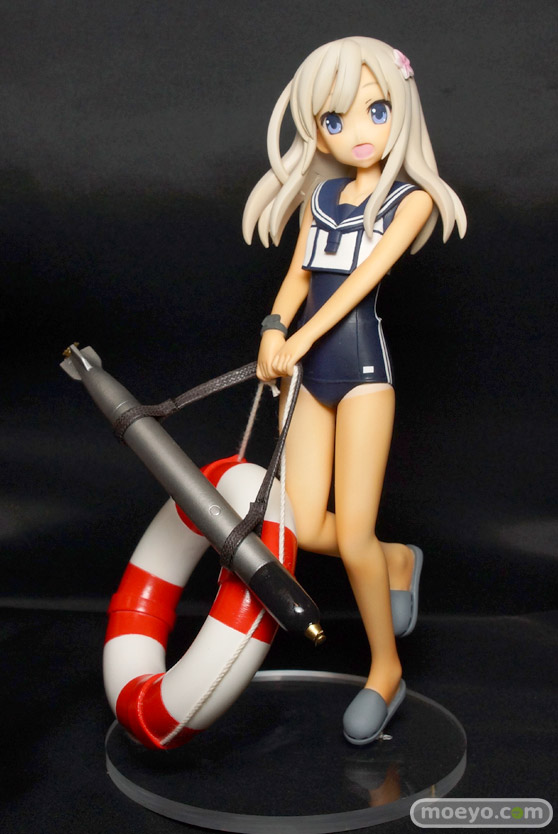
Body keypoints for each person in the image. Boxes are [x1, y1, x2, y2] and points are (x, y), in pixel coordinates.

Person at [243, 36, 466, 745]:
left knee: (355, 531)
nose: (358, 132)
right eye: (335, 120)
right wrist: (273, 330)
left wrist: (302, 337)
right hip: (307, 381)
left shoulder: (412, 200)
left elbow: (362, 281)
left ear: (400, 109)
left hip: (364, 375)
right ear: (317, 130)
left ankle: (385, 670)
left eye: (375, 111)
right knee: (302, 526)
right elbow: (301, 275)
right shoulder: (321, 197)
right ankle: (397, 560)